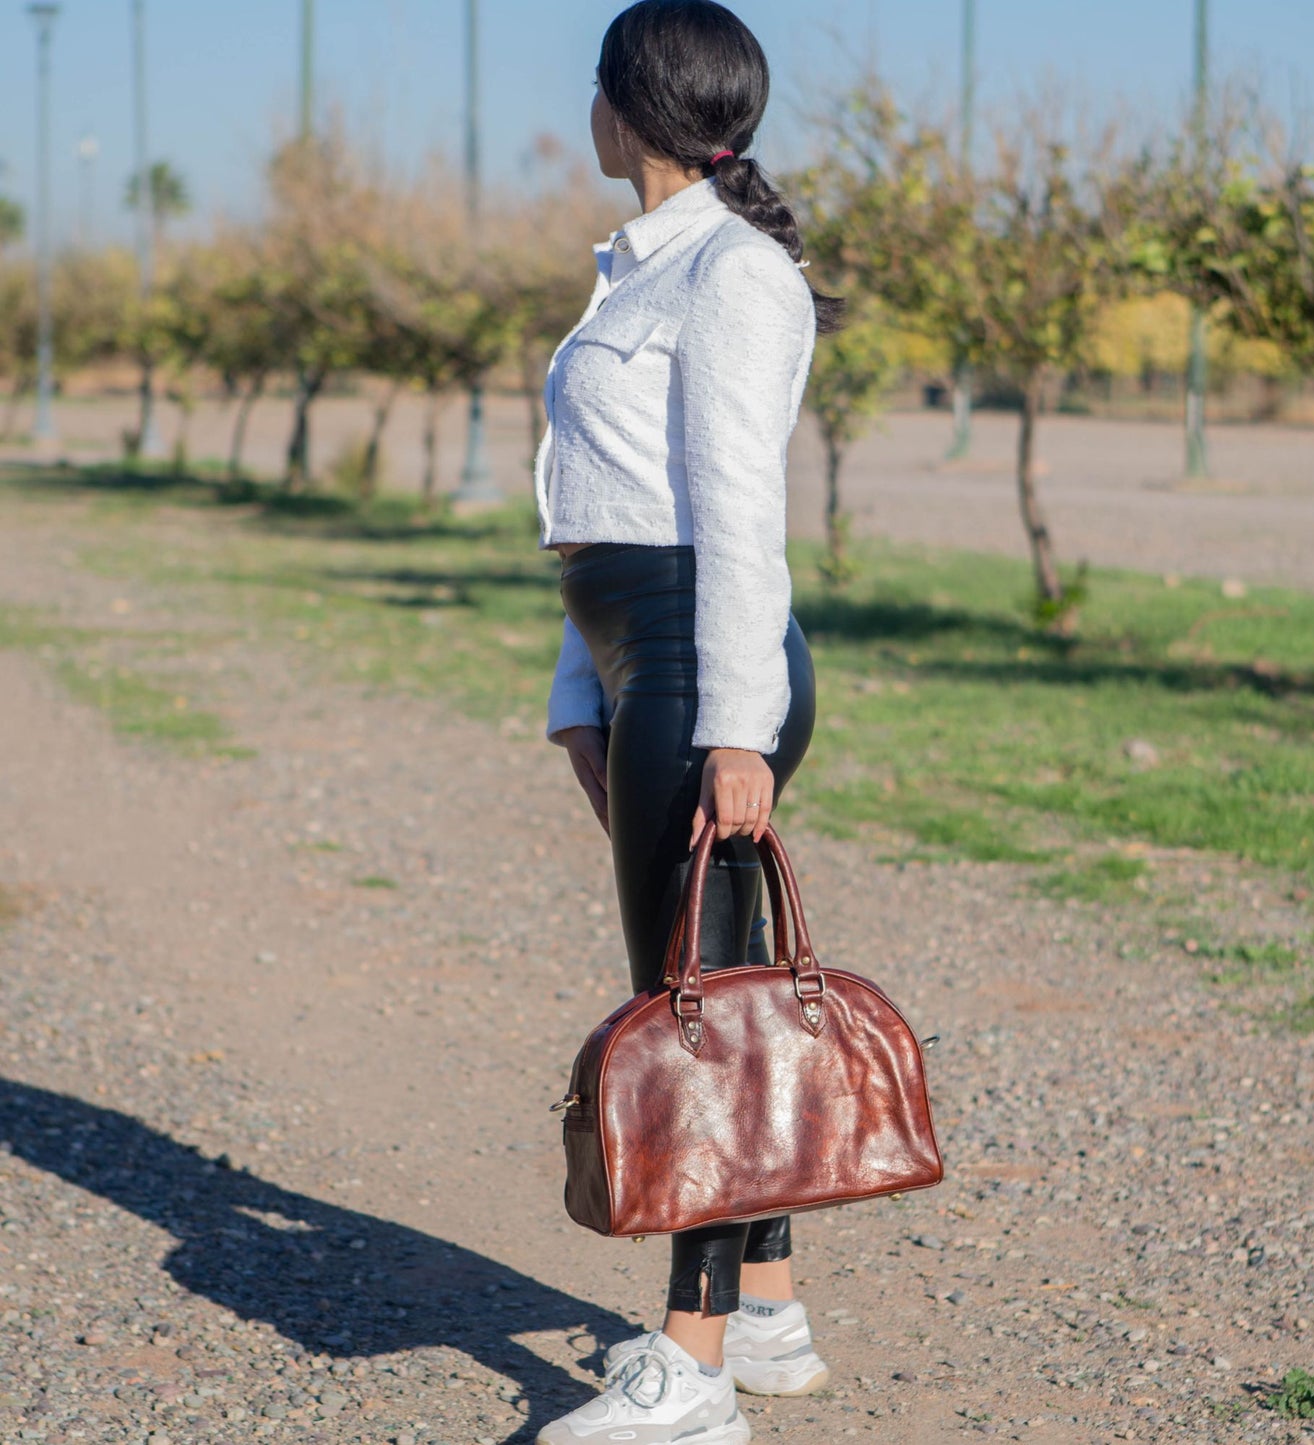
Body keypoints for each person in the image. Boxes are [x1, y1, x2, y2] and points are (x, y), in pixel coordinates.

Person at [532, 4, 845, 1441]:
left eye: (591, 92)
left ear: (624, 110)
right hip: (637, 664)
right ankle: (765, 1307)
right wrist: (573, 694)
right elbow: (602, 497)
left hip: (699, 663)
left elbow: (736, 517)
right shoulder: (642, 267)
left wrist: (729, 725)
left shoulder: (732, 273)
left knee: (691, 1014)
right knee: (709, 985)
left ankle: (693, 1365)